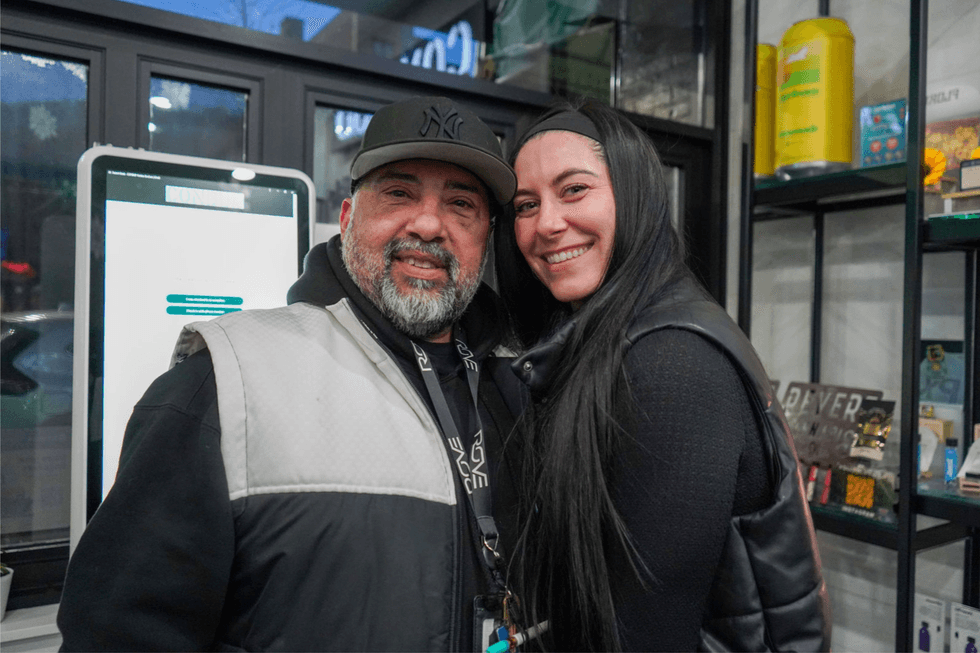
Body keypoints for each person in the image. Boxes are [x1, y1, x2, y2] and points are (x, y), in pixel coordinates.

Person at [58, 96, 526, 652]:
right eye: (399, 192)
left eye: (461, 204)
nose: (429, 223)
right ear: (350, 218)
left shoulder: (521, 387)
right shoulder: (226, 382)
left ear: (486, 238)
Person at [494, 99, 832, 652]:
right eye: (525, 205)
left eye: (574, 189)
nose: (547, 224)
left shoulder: (671, 364)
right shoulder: (601, 338)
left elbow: (644, 634)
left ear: (635, 193)